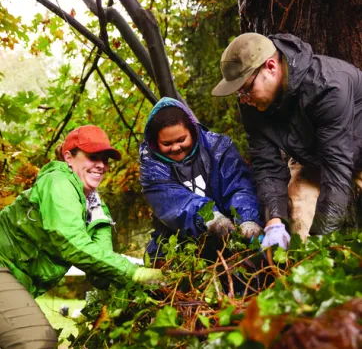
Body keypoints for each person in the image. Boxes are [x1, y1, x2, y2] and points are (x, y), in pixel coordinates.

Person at [0, 125, 164, 349]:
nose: (101, 165)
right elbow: (72, 243)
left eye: (105, 159)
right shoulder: (57, 182)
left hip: (17, 279)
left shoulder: (96, 209)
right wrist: (134, 272)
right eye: (92, 156)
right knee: (35, 340)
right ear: (69, 157)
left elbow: (100, 274)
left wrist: (139, 294)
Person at [212, 32, 362, 245]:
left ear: (271, 67)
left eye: (246, 89)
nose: (244, 100)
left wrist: (320, 243)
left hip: (349, 148)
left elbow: (336, 172)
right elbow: (267, 165)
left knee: (321, 234)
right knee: (297, 218)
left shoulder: (328, 85)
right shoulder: (252, 103)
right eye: (239, 94)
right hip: (313, 155)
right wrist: (274, 221)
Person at [139, 97, 263, 263]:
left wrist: (247, 217)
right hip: (181, 243)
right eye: (167, 143)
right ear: (156, 141)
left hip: (232, 233)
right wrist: (208, 217)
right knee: (157, 265)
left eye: (181, 140)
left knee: (259, 260)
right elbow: (175, 203)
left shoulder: (219, 146)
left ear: (192, 131)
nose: (176, 147)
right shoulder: (151, 168)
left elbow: (239, 186)